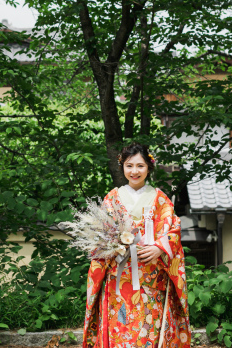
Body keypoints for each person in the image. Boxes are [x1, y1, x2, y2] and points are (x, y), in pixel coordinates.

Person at [82, 143, 190, 348]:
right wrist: (112, 245)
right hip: (118, 273)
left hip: (151, 272)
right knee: (119, 326)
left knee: (149, 325)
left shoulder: (160, 199)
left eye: (140, 166)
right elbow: (99, 235)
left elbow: (173, 229)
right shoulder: (112, 198)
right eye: (129, 165)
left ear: (149, 167)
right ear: (122, 166)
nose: (134, 171)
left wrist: (160, 247)